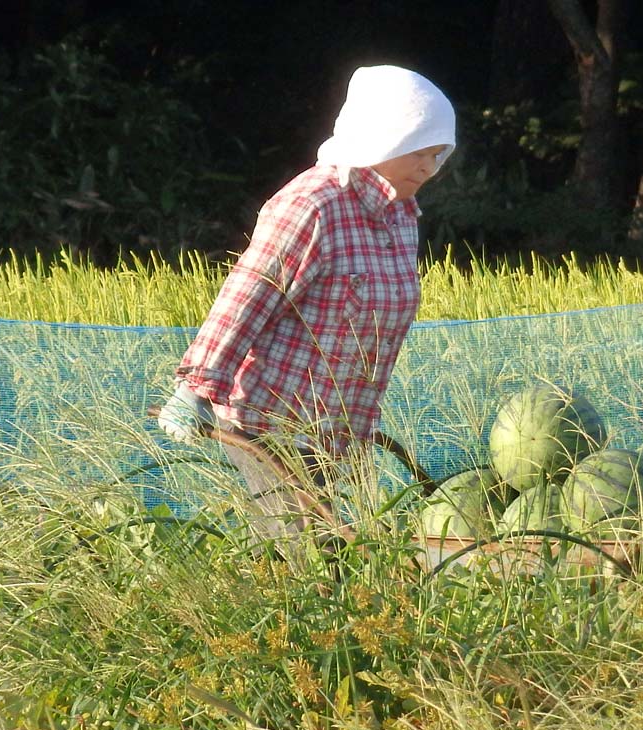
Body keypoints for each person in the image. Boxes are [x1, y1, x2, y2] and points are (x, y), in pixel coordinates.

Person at [157, 64, 456, 543]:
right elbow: (251, 292)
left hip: (341, 429)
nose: (428, 168)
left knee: (337, 554)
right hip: (273, 424)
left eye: (438, 154)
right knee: (307, 553)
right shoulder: (314, 204)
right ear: (385, 141)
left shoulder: (401, 216)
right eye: (419, 152)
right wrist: (198, 386)